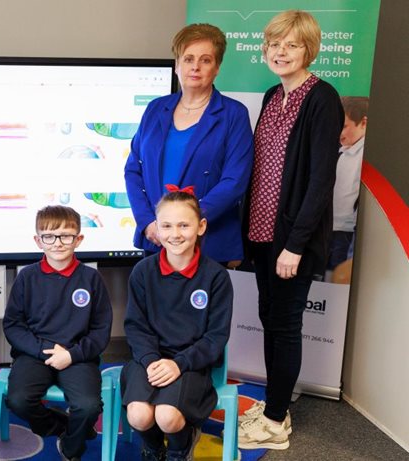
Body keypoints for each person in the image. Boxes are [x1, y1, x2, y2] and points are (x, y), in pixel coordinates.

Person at [239, 10, 344, 450]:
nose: (280, 52)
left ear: (309, 50)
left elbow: (322, 180)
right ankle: (274, 405)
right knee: (270, 319)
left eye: (292, 44)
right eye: (274, 44)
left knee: (284, 326)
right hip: (262, 235)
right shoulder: (270, 95)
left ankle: (278, 421)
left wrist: (295, 246)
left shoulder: (322, 99)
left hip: (291, 243)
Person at [124, 23, 254, 266]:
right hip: (157, 238)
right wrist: (149, 223)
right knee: (153, 304)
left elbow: (235, 181)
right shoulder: (155, 109)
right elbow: (133, 170)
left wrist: (186, 224)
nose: (195, 66)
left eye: (205, 60)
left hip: (208, 241)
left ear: (217, 68)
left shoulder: (233, 114)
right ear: (177, 65)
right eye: (188, 58)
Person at [121, 187, 233, 461]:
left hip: (191, 363)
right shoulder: (143, 272)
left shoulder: (216, 277)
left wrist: (178, 364)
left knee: (167, 416)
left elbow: (215, 338)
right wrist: (150, 360)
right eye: (167, 226)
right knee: (139, 415)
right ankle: (154, 448)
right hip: (148, 360)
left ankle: (180, 447)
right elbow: (136, 327)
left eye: (184, 225)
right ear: (156, 229)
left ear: (201, 226)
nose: (175, 234)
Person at [3, 205, 113, 461]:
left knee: (88, 407)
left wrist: (72, 355)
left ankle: (71, 448)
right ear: (38, 241)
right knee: (18, 400)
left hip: (77, 357)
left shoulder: (91, 278)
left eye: (66, 236)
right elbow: (14, 325)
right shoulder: (27, 277)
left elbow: (100, 330)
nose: (58, 243)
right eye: (49, 236)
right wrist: (43, 350)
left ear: (79, 239)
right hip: (34, 355)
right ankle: (62, 426)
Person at [327, 96, 368, 273]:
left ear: (364, 123)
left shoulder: (363, 156)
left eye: (344, 126)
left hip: (345, 230)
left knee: (336, 274)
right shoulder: (342, 150)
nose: (338, 132)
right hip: (330, 226)